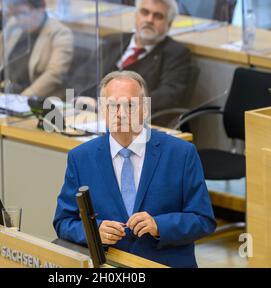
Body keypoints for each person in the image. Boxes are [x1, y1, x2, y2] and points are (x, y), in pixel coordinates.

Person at [53, 70, 215, 268]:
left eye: (130, 105)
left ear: (145, 109)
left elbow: (203, 220)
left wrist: (159, 226)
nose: (120, 114)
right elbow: (63, 222)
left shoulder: (181, 153)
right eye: (112, 106)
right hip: (109, 266)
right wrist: (93, 231)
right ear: (103, 111)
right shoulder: (81, 158)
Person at [74, 0, 192, 116]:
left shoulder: (175, 53)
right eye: (144, 12)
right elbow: (83, 75)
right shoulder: (113, 41)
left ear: (168, 24)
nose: (149, 20)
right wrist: (80, 98)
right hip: (88, 114)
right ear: (136, 16)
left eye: (158, 16)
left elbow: (167, 95)